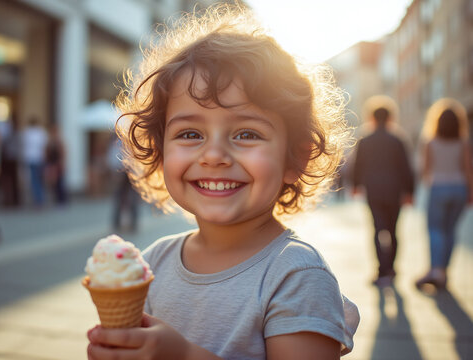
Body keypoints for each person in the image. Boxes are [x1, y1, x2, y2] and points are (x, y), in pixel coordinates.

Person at [86, 5, 359, 359]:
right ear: (160, 150)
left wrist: (182, 355)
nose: (213, 155)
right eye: (189, 133)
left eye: (246, 133)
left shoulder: (297, 276)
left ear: (295, 159)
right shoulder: (151, 264)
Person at [352, 95, 415, 287]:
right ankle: (392, 268)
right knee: (394, 230)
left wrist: (355, 185)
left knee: (378, 230)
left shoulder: (365, 140)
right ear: (390, 117)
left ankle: (381, 270)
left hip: (373, 190)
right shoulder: (397, 140)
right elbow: (406, 167)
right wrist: (410, 191)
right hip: (394, 191)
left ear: (371, 117)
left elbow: (358, 166)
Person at [416, 98, 472, 289]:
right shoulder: (463, 143)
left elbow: (425, 170)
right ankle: (443, 271)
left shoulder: (431, 142)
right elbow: (468, 170)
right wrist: (470, 193)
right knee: (450, 231)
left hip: (438, 187)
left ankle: (436, 271)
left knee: (435, 230)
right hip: (459, 189)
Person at [107, 137, 140, 232]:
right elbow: (113, 157)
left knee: (131, 198)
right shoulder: (117, 143)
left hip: (131, 172)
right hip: (121, 171)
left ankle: (133, 223)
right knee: (119, 197)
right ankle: (117, 222)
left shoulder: (131, 142)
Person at [21, 117, 48, 207]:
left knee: (34, 180)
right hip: (38, 159)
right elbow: (44, 147)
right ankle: (39, 199)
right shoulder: (41, 132)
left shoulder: (27, 132)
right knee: (38, 180)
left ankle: (38, 199)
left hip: (31, 158)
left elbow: (24, 146)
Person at [44, 123, 68, 205]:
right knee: (54, 183)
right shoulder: (50, 142)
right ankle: (57, 199)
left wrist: (62, 163)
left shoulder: (58, 142)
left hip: (57, 164)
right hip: (52, 164)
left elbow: (63, 153)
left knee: (60, 183)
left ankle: (62, 200)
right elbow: (47, 153)